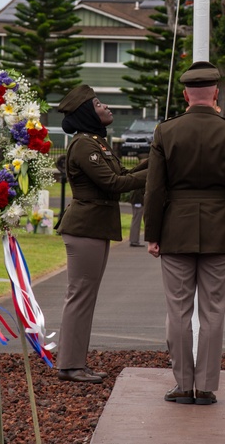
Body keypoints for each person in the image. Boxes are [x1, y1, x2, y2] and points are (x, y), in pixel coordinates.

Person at [144, 61, 225, 406]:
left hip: (176, 228)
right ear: (216, 94)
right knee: (213, 311)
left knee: (177, 310)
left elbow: (154, 189)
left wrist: (152, 233)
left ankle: (182, 384)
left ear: (185, 95)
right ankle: (205, 386)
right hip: (221, 230)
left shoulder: (166, 131)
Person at [55, 84, 147, 383]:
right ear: (86, 113)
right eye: (98, 104)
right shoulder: (85, 145)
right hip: (86, 228)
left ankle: (75, 363)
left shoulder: (96, 142)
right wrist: (157, 170)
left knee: (85, 296)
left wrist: (154, 159)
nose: (106, 107)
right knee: (80, 296)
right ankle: (70, 365)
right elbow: (114, 184)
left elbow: (120, 176)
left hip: (93, 227)